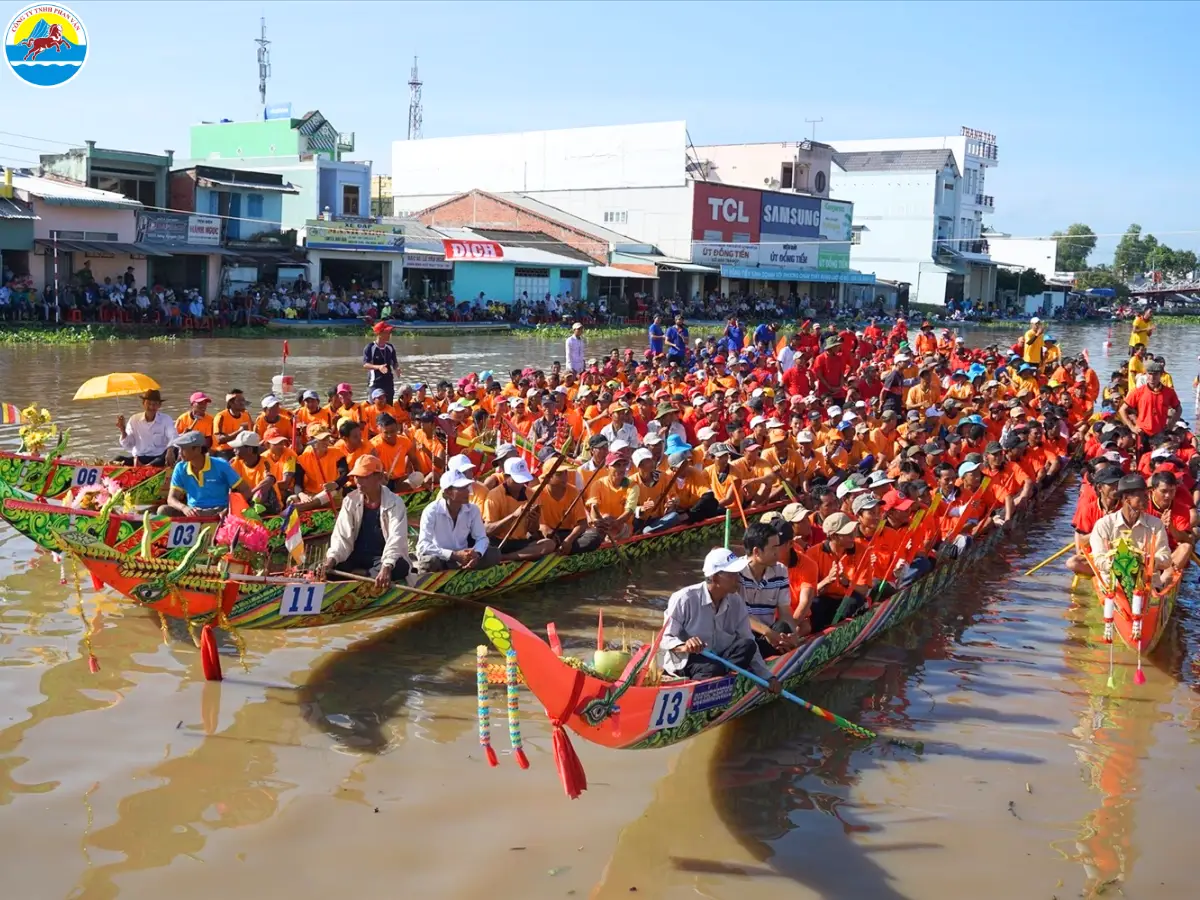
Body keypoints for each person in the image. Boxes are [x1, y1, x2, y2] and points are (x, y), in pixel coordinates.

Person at [659, 547, 782, 687]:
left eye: (738, 574)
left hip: (720, 659)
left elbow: (748, 640)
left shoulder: (736, 601)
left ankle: (722, 681)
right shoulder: (684, 598)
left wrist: (767, 677)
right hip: (687, 662)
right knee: (712, 668)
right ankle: (706, 687)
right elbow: (665, 639)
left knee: (748, 646)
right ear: (715, 577)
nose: (739, 579)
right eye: (732, 575)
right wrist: (684, 646)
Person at [1090, 473, 1183, 640]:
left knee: (1164, 577)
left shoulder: (1156, 525)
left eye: (1147, 494)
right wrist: (1118, 564)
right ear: (1126, 499)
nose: (1148, 499)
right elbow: (1098, 559)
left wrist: (1146, 562)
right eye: (1142, 495)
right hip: (1115, 586)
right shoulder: (1104, 525)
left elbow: (1166, 557)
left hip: (1147, 585)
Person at [321, 456, 412, 588]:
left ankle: (364, 574)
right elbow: (341, 537)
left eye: (364, 477)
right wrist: (331, 561)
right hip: (355, 556)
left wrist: (386, 566)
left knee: (400, 567)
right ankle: (365, 574)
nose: (358, 481)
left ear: (379, 477)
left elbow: (396, 538)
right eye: (357, 477)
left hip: (380, 558)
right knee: (322, 567)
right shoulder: (350, 501)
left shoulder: (395, 503)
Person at [416, 468, 500, 572]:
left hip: (463, 558)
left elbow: (482, 538)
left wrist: (477, 554)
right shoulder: (431, 511)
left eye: (467, 487)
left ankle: (466, 569)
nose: (468, 492)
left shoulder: (473, 510)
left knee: (494, 554)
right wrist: (454, 555)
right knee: (429, 561)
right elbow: (423, 546)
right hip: (441, 558)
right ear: (448, 492)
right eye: (462, 488)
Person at [740, 521, 803, 656]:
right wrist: (768, 632)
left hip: (769, 634)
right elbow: (738, 616)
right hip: (744, 634)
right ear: (757, 552)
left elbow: (785, 612)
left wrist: (794, 635)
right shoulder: (736, 574)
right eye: (774, 548)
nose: (778, 553)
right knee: (747, 645)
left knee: (784, 628)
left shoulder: (780, 570)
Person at [161, 430, 252, 517]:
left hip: (218, 512)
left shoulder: (221, 465)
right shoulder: (180, 467)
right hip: (192, 512)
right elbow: (171, 499)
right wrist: (184, 508)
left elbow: (245, 490)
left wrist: (229, 509)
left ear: (198, 449)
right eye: (179, 449)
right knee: (163, 510)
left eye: (183, 449)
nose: (180, 452)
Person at [1120, 359, 1179, 449]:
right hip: (1142, 432)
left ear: (1161, 375)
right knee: (1142, 460)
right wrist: (1132, 427)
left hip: (1160, 432)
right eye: (1149, 374)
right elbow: (1122, 410)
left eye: (1155, 374)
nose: (1152, 377)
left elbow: (1179, 409)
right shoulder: (1138, 392)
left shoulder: (1169, 392)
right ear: (1146, 374)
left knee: (1158, 460)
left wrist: (1171, 424)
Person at [116, 389, 177, 466]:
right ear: (143, 403)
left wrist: (170, 450)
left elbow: (173, 436)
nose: (151, 407)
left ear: (159, 405)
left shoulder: (166, 419)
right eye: (148, 403)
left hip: (158, 458)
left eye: (154, 404)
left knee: (175, 450)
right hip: (139, 458)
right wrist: (122, 430)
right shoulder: (134, 419)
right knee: (118, 459)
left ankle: (146, 468)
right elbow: (128, 445)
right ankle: (145, 468)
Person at [362, 321, 399, 402]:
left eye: (390, 332)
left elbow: (394, 362)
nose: (389, 334)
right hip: (375, 383)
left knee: (389, 408)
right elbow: (365, 364)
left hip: (388, 382)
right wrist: (378, 367)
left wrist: (397, 368)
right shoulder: (370, 347)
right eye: (387, 332)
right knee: (375, 408)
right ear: (379, 333)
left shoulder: (390, 347)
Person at [212, 389, 253, 457]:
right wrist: (240, 431)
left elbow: (250, 434)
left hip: (240, 448)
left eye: (243, 400)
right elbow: (220, 439)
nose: (243, 403)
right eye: (239, 400)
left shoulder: (246, 414)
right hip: (224, 450)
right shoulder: (221, 416)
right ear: (230, 403)